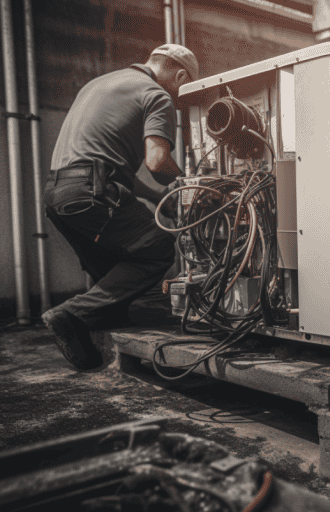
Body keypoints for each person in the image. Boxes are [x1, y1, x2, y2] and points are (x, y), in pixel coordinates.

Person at [42, 44, 198, 371]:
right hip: (93, 193)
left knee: (115, 273)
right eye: (183, 89)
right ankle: (72, 314)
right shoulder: (157, 95)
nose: (178, 98)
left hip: (59, 193)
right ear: (181, 75)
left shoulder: (101, 82)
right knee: (156, 246)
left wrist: (157, 198)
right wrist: (192, 184)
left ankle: (89, 326)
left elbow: (108, 166)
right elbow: (157, 161)